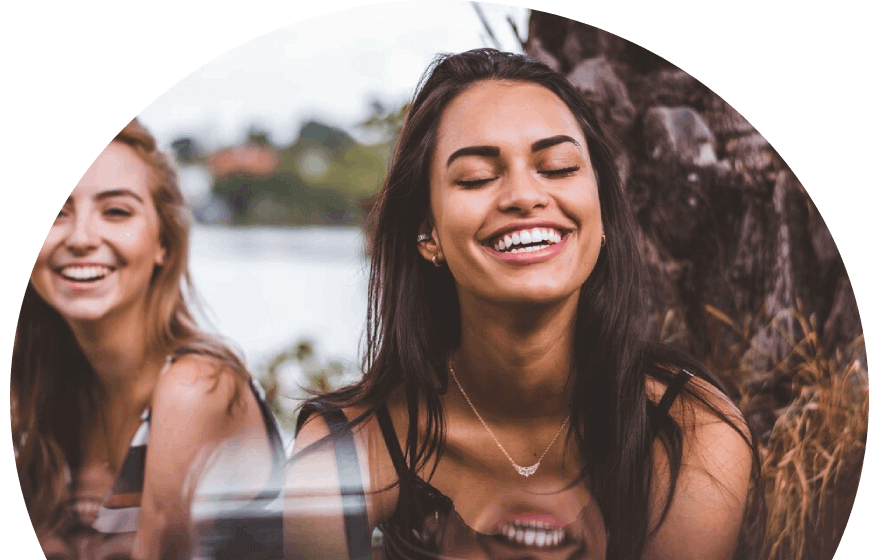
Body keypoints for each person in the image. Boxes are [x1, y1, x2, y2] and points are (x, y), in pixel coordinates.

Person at [285, 49, 764, 560]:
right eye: (475, 177)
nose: (524, 195)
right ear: (428, 234)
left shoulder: (691, 432)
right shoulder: (341, 453)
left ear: (600, 215)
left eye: (557, 167)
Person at [13, 119, 285, 560]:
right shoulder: (40, 387)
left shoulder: (196, 387)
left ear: (163, 242)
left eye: (116, 211)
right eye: (58, 213)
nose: (81, 237)